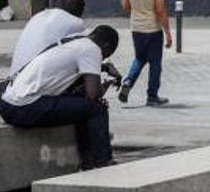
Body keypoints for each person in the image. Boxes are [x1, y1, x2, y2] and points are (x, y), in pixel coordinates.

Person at [1, 25, 121, 169]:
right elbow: (93, 94)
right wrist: (108, 82)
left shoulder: (74, 41)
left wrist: (103, 67)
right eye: (106, 54)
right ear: (106, 46)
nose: (103, 58)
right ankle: (103, 160)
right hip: (25, 107)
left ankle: (88, 161)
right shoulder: (92, 49)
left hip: (9, 104)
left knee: (83, 108)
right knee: (97, 109)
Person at [9, 0, 95, 76]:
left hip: (14, 82)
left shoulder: (37, 17)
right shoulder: (74, 22)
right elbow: (88, 53)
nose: (83, 3)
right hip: (36, 85)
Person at [118, 0, 172, 106]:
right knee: (155, 63)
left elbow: (126, 6)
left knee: (140, 58)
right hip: (153, 30)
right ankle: (152, 96)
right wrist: (168, 33)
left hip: (136, 29)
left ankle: (128, 81)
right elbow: (160, 11)